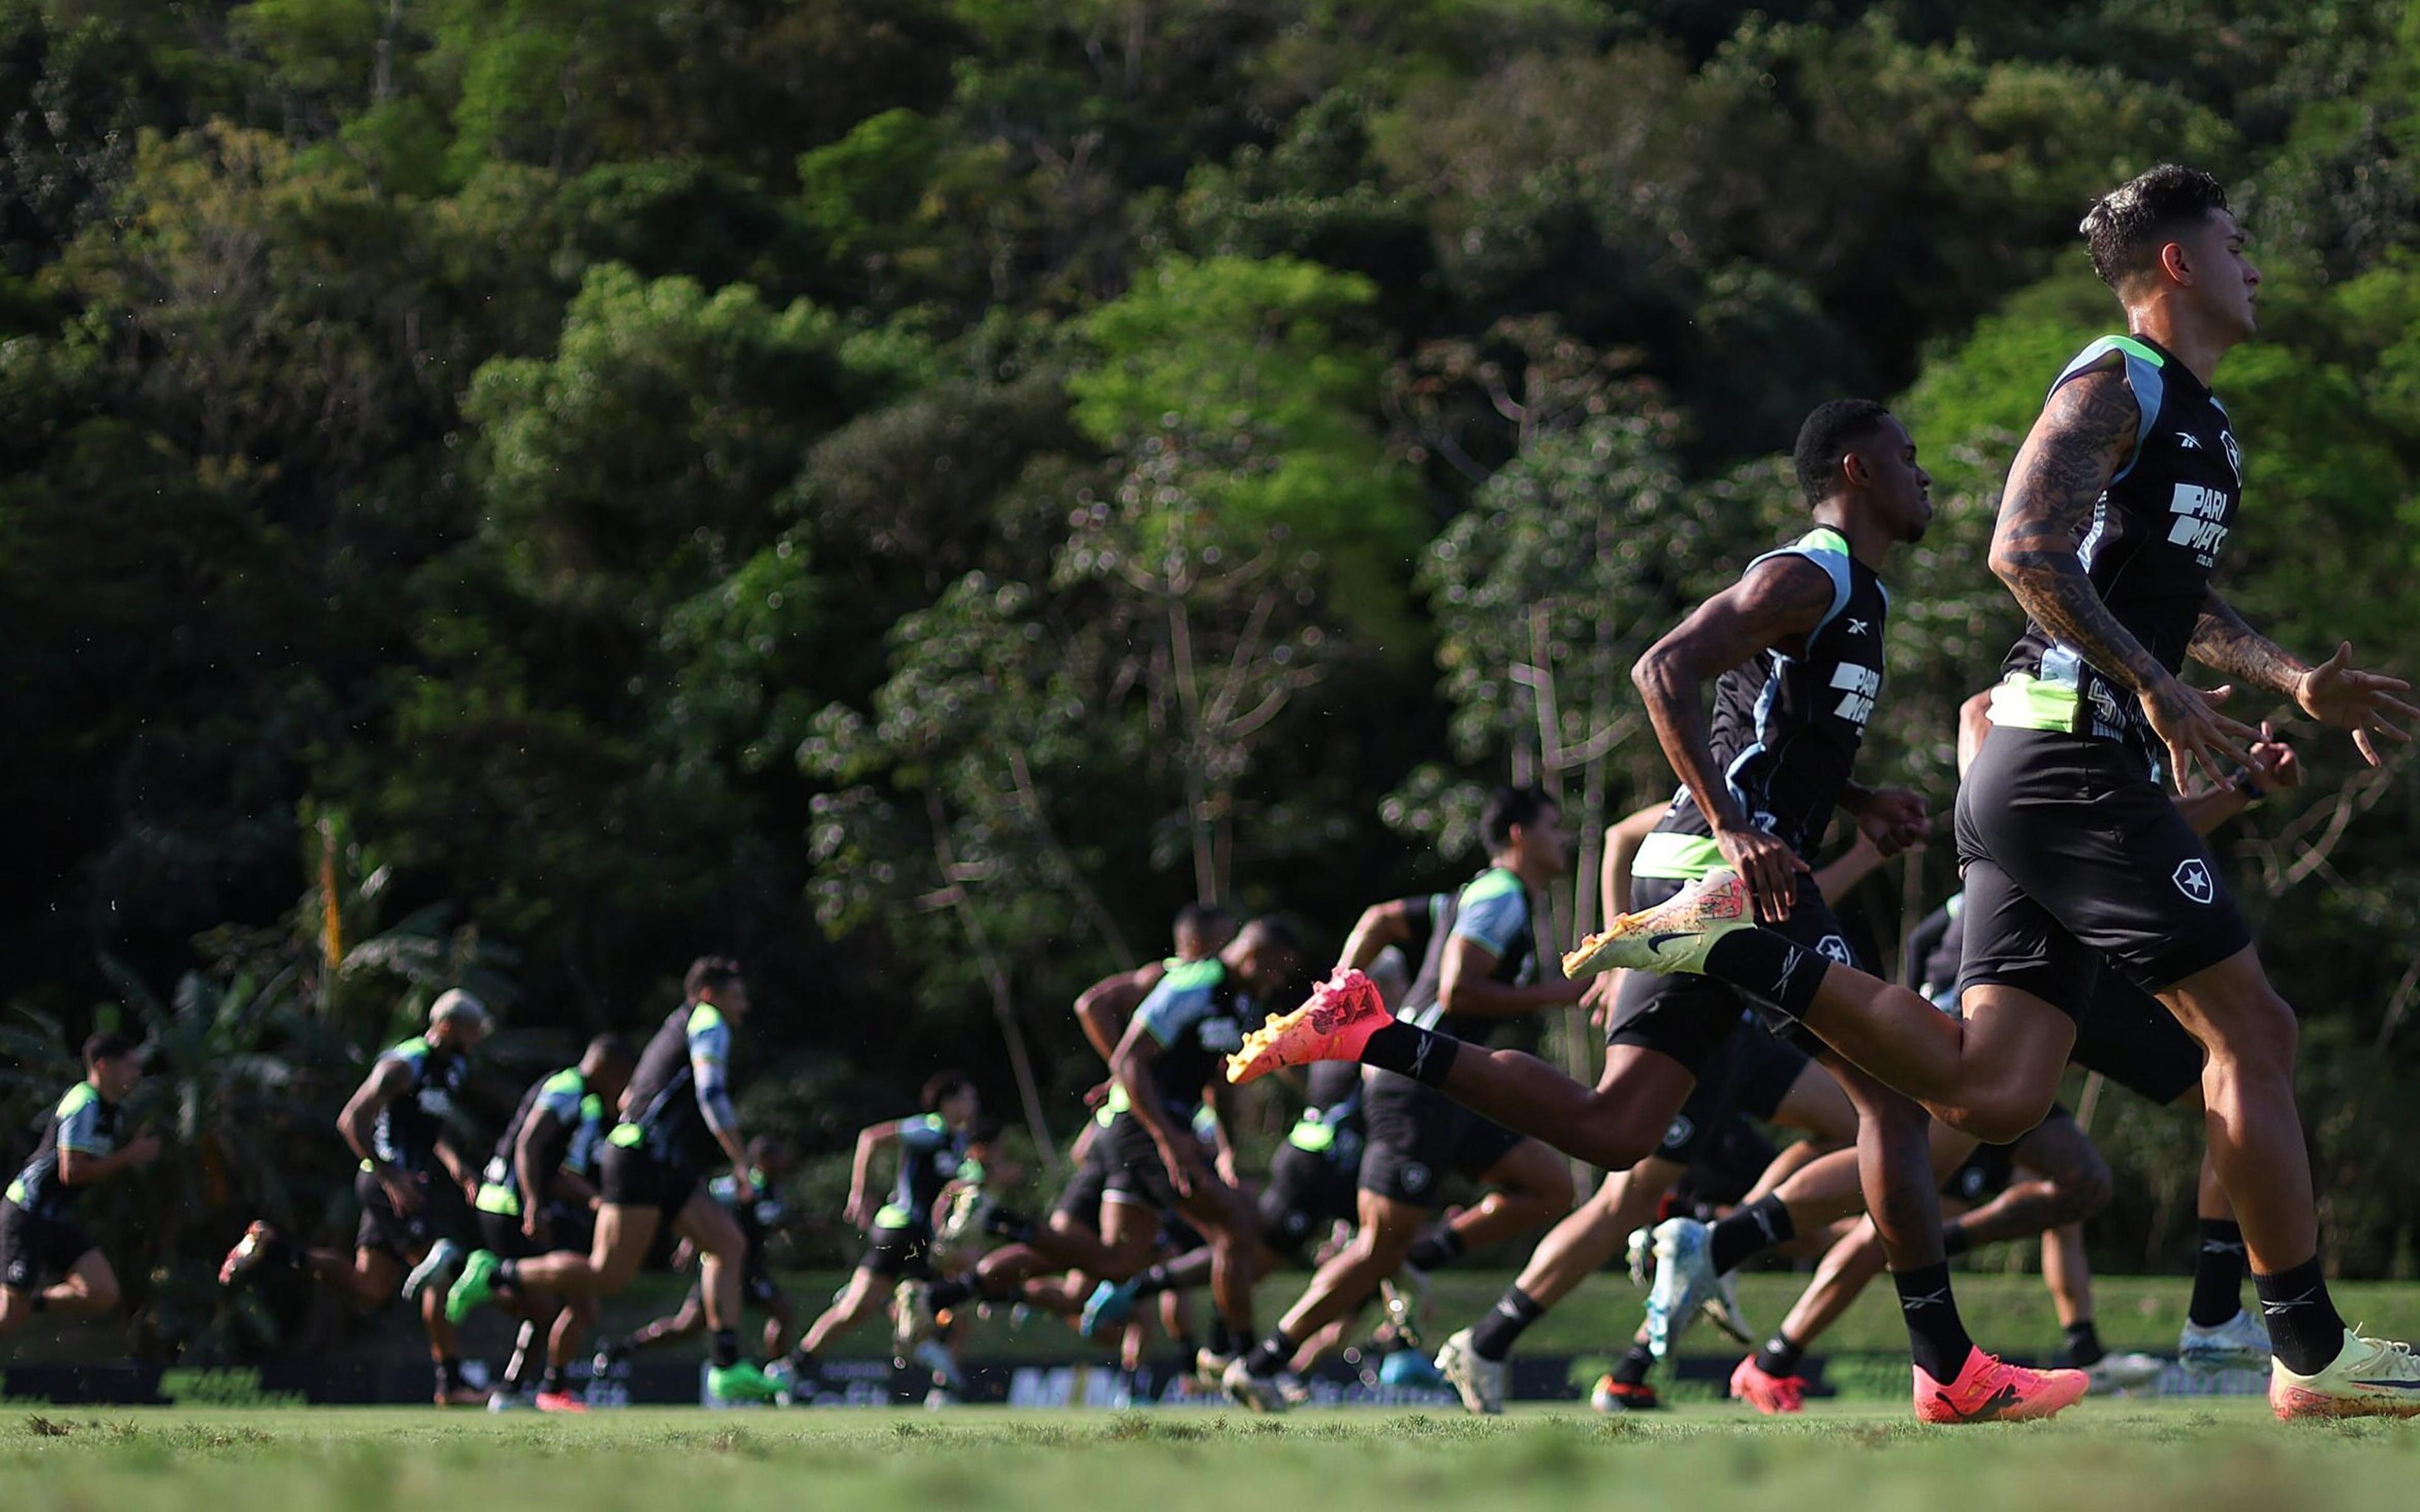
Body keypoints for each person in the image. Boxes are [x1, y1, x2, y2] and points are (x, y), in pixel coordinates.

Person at [1589, 187, 2420, 1409]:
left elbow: (2170, 605)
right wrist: (2154, 692)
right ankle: (2303, 1352)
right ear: (2180, 263)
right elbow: (2021, 551)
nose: (2258, 265)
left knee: (1995, 1090)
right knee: (2256, 1033)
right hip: (2066, 755)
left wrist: (2292, 678)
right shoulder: (2116, 381)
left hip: (2042, 767)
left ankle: (1738, 948)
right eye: (2240, 245)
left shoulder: (2202, 419)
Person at [1239, 403, 2088, 1423]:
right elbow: (1663, 670)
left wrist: (1861, 802)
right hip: (1725, 881)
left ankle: (1375, 1031)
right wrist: (1735, 831)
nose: (1928, 479)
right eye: (1911, 459)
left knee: (1614, 1131)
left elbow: (1755, 723)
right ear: (1858, 471)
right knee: (1899, 1108)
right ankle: (1947, 1369)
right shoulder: (1808, 572)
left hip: (1702, 874)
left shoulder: (1855, 596)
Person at [1226, 785, 1582, 1411]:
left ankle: (1422, 1253)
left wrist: (1337, 988)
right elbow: (1461, 991)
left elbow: (1381, 919)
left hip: (1451, 1083)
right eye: (1556, 827)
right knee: (1377, 1246)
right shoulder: (1499, 896)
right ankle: (1261, 1363)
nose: (1566, 839)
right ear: (1521, 835)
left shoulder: (1471, 895)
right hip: (1418, 1082)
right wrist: (1562, 993)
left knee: (1549, 1187)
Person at [905, 919, 1302, 1407]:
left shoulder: (1241, 1001)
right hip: (1142, 1132)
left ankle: (983, 1236)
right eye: (1279, 969)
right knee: (1239, 1225)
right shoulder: (1189, 983)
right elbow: (1130, 1057)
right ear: (1255, 955)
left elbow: (1215, 1079)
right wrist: (1168, 1136)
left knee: (1115, 1262)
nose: (1281, 981)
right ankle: (1240, 1360)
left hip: (1146, 1131)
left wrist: (1225, 1148)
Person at [444, 957, 783, 1405]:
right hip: (641, 1155)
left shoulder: (677, 1025)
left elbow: (638, 1094)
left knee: (728, 1244)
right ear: (708, 995)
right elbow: (711, 1091)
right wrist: (740, 1159)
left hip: (659, 1157)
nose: (744, 1005)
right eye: (736, 995)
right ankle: (494, 1274)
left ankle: (726, 1366)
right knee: (606, 1275)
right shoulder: (707, 1021)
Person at [219, 988, 491, 1406]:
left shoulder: (451, 1068)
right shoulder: (405, 1064)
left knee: (369, 1287)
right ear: (448, 1026)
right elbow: (351, 1120)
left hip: (405, 1185)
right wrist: (390, 1176)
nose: (478, 1038)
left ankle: (274, 1247)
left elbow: (430, 1128)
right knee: (441, 1267)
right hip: (387, 1187)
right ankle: (451, 1383)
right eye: (472, 1030)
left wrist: (455, 1165)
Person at [777, 1074, 987, 1392]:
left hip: (921, 1237)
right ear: (949, 1102)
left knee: (928, 1298)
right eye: (968, 1098)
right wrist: (859, 1192)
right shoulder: (929, 1128)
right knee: (858, 1310)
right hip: (899, 1231)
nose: (974, 1105)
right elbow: (871, 1138)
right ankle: (794, 1366)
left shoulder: (957, 1141)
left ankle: (923, 1347)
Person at [471, 1034, 637, 1411]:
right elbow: (527, 1145)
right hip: (509, 1206)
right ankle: (486, 1277)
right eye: (623, 1078)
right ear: (609, 1070)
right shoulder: (565, 1088)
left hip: (520, 1205)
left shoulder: (586, 1102)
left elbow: (562, 1170)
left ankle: (521, 1390)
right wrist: (532, 1202)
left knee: (564, 1307)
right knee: (561, 1303)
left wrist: (595, 1200)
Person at [1, 1033, 161, 1343]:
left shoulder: (113, 1112)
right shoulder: (84, 1102)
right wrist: (129, 1156)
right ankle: (18, 1304)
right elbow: (70, 1173)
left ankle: (29, 1301)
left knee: (102, 1293)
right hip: (27, 1214)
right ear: (104, 1067)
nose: (137, 1074)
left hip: (56, 1221)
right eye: (130, 1066)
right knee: (9, 1316)